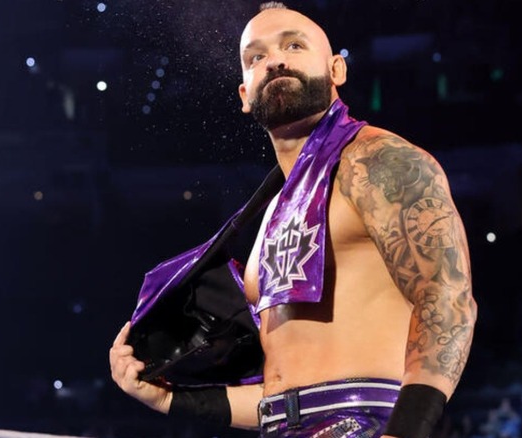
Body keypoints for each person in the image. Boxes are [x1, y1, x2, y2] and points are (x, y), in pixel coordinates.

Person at [109, 2, 477, 437]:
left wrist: (406, 431)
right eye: (256, 57)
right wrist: (169, 399)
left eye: (294, 45)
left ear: (336, 70)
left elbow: (447, 299)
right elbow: (283, 399)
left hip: (367, 422)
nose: (276, 60)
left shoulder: (380, 162)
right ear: (245, 95)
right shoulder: (270, 221)